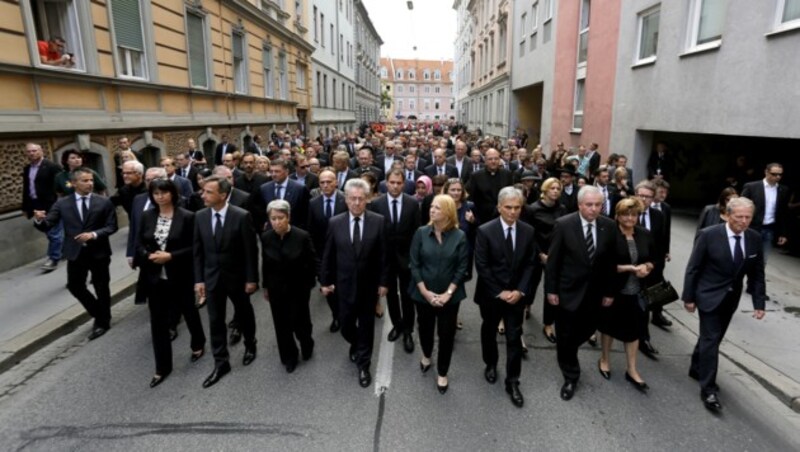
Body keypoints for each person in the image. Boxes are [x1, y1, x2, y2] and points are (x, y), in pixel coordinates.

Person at [682, 197, 766, 412]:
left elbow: (757, 274)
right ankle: (708, 389)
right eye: (739, 217)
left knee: (714, 337)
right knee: (711, 339)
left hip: (731, 298)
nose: (744, 221)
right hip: (708, 295)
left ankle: (695, 366)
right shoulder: (709, 235)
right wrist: (688, 297)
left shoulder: (755, 238)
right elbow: (693, 268)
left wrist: (759, 303)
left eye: (748, 217)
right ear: (728, 215)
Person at [546, 185, 617, 401]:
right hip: (567, 291)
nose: (594, 209)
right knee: (566, 336)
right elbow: (553, 262)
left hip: (594, 293)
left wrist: (609, 291)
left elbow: (610, 263)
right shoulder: (564, 225)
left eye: (598, 205)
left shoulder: (609, 226)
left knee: (585, 331)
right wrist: (551, 290)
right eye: (589, 205)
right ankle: (571, 375)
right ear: (579, 205)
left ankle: (569, 352)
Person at [135, 179, 206, 388]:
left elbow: (194, 248)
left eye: (164, 193)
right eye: (156, 193)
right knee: (158, 322)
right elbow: (139, 242)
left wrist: (171, 256)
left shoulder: (187, 217)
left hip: (180, 275)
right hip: (155, 277)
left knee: (189, 312)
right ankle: (162, 367)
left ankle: (198, 343)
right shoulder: (148, 216)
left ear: (172, 194)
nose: (160, 197)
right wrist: (147, 255)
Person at [33, 168, 118, 340]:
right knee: (75, 286)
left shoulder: (103, 202)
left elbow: (111, 226)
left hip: (99, 251)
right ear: (74, 183)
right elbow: (49, 223)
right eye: (85, 181)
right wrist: (39, 219)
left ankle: (103, 321)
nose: (90, 184)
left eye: (91, 180)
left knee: (102, 287)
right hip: (75, 252)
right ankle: (99, 313)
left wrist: (93, 234)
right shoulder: (62, 203)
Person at [320, 178, 389, 388]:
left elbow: (384, 255)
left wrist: (384, 282)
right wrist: (325, 281)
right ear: (346, 200)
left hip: (369, 287)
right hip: (343, 285)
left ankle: (363, 365)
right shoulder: (335, 222)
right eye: (353, 199)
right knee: (346, 324)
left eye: (361, 199)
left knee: (367, 326)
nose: (357, 203)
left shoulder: (378, 221)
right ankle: (356, 344)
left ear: (367, 200)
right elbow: (328, 255)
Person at [193, 176, 259, 388]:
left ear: (223, 195)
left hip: (237, 278)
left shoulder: (241, 216)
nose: (203, 195)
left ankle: (250, 344)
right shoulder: (200, 217)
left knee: (244, 313)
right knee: (215, 320)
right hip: (212, 278)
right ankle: (221, 362)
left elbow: (251, 251)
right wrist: (199, 280)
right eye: (203, 191)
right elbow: (198, 252)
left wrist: (252, 279)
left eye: (208, 192)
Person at [474, 187, 537, 408]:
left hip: (516, 297)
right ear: (499, 207)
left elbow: (531, 263)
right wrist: (499, 292)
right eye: (508, 207)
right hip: (491, 295)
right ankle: (490, 363)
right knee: (489, 331)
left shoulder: (528, 231)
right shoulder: (485, 231)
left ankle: (513, 382)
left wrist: (520, 291)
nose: (512, 212)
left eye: (517, 208)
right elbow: (482, 265)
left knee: (514, 337)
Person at [409, 194, 469, 394]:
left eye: (437, 208)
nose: (432, 210)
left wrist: (448, 293)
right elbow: (414, 264)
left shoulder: (460, 236)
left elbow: (462, 268)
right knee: (425, 329)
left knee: (446, 334)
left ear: (448, 213)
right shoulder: (420, 232)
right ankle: (426, 355)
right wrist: (425, 292)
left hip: (450, 298)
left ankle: (443, 372)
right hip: (423, 295)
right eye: (432, 207)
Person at [598, 197, 655, 393]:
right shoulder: (609, 235)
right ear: (617, 216)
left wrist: (647, 267)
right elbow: (603, 265)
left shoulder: (644, 234)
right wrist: (630, 268)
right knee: (608, 327)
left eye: (634, 214)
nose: (630, 218)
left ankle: (632, 369)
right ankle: (605, 359)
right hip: (614, 290)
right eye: (625, 214)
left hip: (637, 291)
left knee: (635, 330)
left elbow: (652, 258)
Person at [260, 200, 316, 373]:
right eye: (273, 218)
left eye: (280, 218)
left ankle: (307, 344)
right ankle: (289, 356)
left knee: (301, 322)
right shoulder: (266, 237)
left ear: (288, 217)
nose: (276, 222)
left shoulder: (302, 236)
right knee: (281, 325)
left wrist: (308, 285)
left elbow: (311, 262)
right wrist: (266, 287)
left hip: (298, 289)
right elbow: (266, 264)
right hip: (276, 290)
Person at [368, 169, 421, 352]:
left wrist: (415, 260)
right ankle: (397, 325)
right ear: (386, 183)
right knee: (390, 296)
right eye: (392, 182)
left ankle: (408, 330)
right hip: (386, 260)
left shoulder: (413, 204)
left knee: (408, 296)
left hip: (407, 260)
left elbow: (417, 233)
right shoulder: (376, 204)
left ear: (404, 184)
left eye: (399, 183)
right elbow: (374, 234)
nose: (396, 186)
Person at [527, 177, 568, 344]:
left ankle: (548, 324)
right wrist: (540, 254)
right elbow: (530, 234)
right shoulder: (533, 209)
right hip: (537, 253)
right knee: (531, 283)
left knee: (551, 289)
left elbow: (565, 232)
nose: (556, 191)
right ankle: (527, 306)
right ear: (545, 190)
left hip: (555, 254)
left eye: (558, 188)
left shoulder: (563, 209)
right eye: (552, 188)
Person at [307, 170, 348, 332]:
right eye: (322, 182)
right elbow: (310, 231)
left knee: (344, 288)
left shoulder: (345, 200)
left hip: (344, 254)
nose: (325, 185)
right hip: (323, 255)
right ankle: (336, 316)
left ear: (336, 182)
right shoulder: (313, 203)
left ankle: (347, 315)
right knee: (329, 288)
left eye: (329, 182)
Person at [22, 143, 63, 272]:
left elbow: (60, 185)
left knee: (54, 233)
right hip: (36, 204)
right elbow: (26, 189)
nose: (31, 153)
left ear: (41, 151)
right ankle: (66, 249)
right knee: (48, 231)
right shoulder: (27, 168)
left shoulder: (52, 166)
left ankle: (53, 258)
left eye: (34, 151)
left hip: (51, 204)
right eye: (29, 151)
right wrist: (25, 207)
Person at [443, 178, 477, 330]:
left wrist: (473, 222)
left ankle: (453, 317)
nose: (456, 193)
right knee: (443, 284)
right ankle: (442, 314)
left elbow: (476, 233)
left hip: (463, 256)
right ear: (447, 190)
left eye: (458, 190)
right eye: (453, 190)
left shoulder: (469, 207)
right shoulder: (441, 206)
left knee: (457, 288)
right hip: (444, 255)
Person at [741, 163, 790, 261]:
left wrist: (783, 233)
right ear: (766, 172)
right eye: (774, 174)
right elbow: (740, 206)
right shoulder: (752, 187)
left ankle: (757, 276)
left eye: (780, 174)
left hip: (769, 230)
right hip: (751, 228)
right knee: (744, 258)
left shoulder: (783, 190)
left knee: (762, 261)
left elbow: (784, 213)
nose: (777, 177)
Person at [256, 158, 310, 231]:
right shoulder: (264, 188)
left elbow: (305, 214)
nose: (273, 174)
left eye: (277, 171)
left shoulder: (300, 189)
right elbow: (261, 212)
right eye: (271, 171)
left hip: (293, 232)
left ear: (287, 171)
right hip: (271, 233)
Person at [467, 149, 515, 226]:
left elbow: (511, 195)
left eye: (496, 159)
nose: (493, 161)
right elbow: (471, 197)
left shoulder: (507, 174)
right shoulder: (476, 176)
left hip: (503, 217)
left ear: (499, 160)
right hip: (483, 218)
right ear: (485, 161)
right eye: (490, 159)